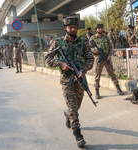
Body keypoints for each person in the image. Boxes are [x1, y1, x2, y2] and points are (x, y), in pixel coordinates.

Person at [45, 16, 94, 148]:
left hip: (80, 79)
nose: (73, 29)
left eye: (75, 27)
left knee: (76, 106)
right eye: (70, 27)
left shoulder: (83, 42)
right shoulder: (58, 42)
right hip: (67, 81)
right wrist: (61, 63)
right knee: (73, 109)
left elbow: (90, 59)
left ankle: (68, 115)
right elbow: (47, 59)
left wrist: (83, 70)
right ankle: (78, 135)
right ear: (65, 28)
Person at [89, 24, 124, 99]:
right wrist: (94, 50)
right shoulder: (93, 38)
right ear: (96, 29)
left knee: (112, 73)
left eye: (101, 28)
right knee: (97, 75)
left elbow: (111, 47)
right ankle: (97, 91)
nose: (100, 30)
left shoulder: (106, 37)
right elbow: (88, 48)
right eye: (99, 28)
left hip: (107, 58)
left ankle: (118, 88)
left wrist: (109, 55)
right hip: (98, 59)